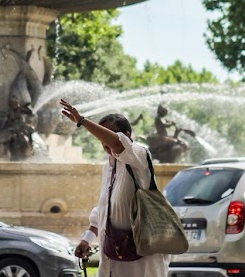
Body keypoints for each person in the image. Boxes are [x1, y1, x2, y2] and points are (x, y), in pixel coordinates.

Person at [59, 98, 169, 277]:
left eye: (107, 134)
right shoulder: (108, 167)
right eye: (101, 135)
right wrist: (87, 240)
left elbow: (118, 144)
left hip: (141, 260)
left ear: (127, 134)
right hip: (113, 257)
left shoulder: (139, 155)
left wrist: (82, 121)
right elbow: (102, 213)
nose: (104, 140)